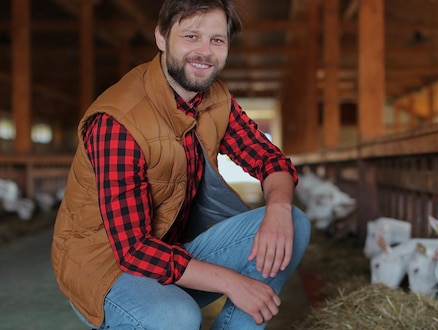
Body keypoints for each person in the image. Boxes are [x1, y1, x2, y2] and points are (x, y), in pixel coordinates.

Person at [50, 0, 311, 329]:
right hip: (106, 267)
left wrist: (277, 211)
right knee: (175, 317)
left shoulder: (214, 98)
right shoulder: (119, 122)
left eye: (217, 40)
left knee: (293, 224)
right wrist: (232, 281)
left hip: (170, 249)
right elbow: (133, 251)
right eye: (191, 36)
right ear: (161, 38)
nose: (204, 51)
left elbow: (269, 158)